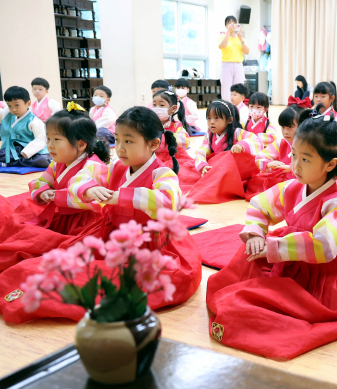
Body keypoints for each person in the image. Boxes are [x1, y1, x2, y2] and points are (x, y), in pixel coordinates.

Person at [205, 109, 337, 360]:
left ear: (330, 164)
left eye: (305, 159)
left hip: (326, 269)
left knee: (281, 307)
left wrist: (274, 248)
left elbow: (324, 246)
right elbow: (260, 205)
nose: (295, 165)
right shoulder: (294, 187)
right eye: (293, 154)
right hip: (288, 254)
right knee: (241, 267)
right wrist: (257, 234)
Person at [0, 106, 203, 324]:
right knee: (55, 264)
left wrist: (120, 196)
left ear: (153, 144)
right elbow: (81, 179)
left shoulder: (162, 173)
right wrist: (89, 189)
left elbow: (169, 201)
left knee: (102, 282)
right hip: (109, 235)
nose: (120, 148)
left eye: (129, 141)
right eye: (118, 139)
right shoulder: (117, 168)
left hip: (149, 243)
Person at [0, 103, 110, 273]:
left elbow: (80, 190)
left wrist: (55, 196)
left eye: (57, 140)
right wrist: (43, 191)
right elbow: (40, 181)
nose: (50, 145)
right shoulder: (58, 163)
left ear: (81, 144)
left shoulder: (94, 165)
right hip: (63, 216)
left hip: (85, 222)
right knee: (24, 223)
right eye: (48, 139)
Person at [185, 100, 262, 204]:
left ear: (229, 120)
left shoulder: (236, 133)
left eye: (216, 118)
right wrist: (203, 166)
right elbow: (201, 152)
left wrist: (241, 145)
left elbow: (256, 140)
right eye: (209, 118)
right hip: (216, 170)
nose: (211, 122)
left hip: (232, 173)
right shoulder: (208, 136)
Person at [245, 96, 312, 200]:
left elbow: (313, 166)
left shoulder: (310, 144)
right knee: (254, 181)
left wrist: (291, 168)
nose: (285, 132)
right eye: (283, 127)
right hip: (282, 181)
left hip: (303, 181)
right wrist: (268, 164)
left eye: (290, 127)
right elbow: (260, 156)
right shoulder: (281, 143)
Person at [0, 86, 51, 168]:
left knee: (41, 159)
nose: (13, 109)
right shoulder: (9, 115)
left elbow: (41, 139)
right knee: (3, 153)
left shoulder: (34, 121)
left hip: (30, 149)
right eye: (9, 106)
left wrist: (27, 151)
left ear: (28, 103)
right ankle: (10, 162)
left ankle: (8, 163)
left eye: (17, 105)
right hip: (15, 148)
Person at [150, 89, 193, 170]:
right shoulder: (149, 125)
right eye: (154, 105)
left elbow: (185, 142)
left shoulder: (177, 125)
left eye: (161, 105)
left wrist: (163, 137)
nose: (157, 108)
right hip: (154, 158)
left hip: (176, 157)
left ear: (173, 109)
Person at [219, 16, 250, 101]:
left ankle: (238, 105)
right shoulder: (222, 37)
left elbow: (247, 51)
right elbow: (223, 46)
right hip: (226, 64)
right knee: (226, 87)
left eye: (233, 22)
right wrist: (228, 32)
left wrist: (241, 39)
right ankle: (227, 105)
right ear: (226, 25)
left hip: (238, 64)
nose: (231, 24)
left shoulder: (240, 38)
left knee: (239, 87)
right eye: (229, 23)